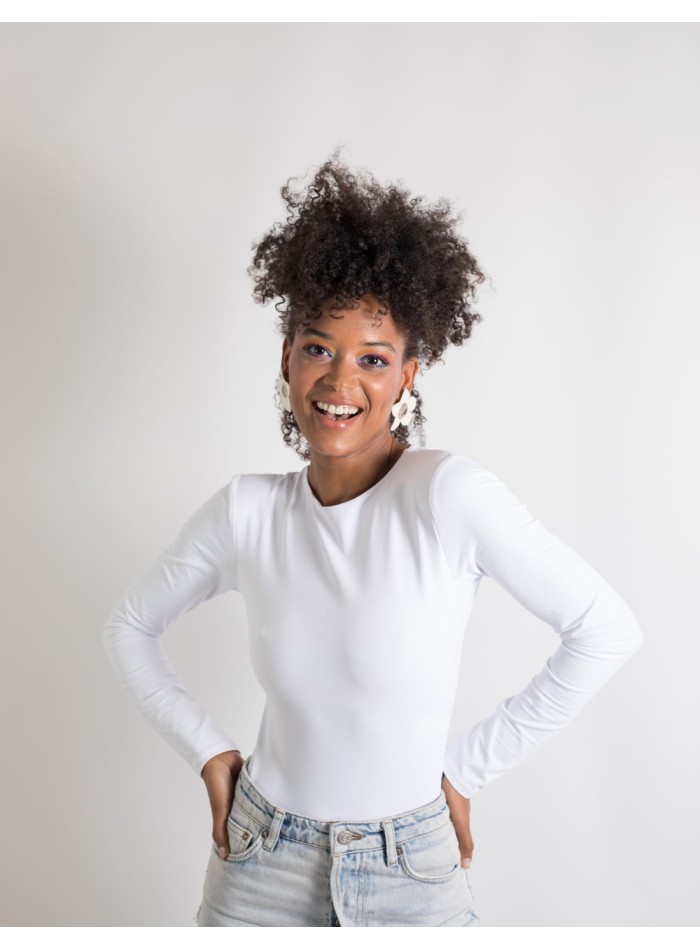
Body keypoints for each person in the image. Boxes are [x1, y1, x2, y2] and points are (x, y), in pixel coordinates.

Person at [101, 151, 644, 927]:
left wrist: (465, 771)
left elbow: (605, 630)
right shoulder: (247, 512)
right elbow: (128, 627)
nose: (340, 382)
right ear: (288, 356)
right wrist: (208, 752)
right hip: (259, 864)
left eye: (374, 359)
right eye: (319, 348)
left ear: (407, 377)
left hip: (410, 870)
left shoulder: (447, 496)